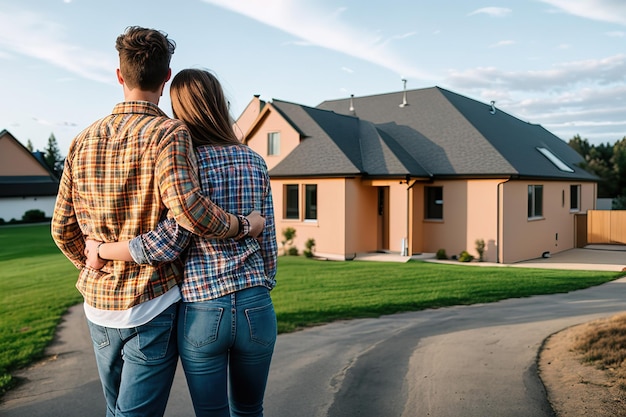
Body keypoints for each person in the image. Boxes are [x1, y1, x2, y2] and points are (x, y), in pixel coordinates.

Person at [51, 27, 263, 417]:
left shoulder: (82, 139)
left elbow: (61, 228)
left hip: (98, 305)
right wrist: (241, 225)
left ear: (119, 75)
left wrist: (93, 260)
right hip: (151, 303)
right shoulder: (169, 134)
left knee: (118, 409)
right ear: (166, 77)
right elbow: (188, 214)